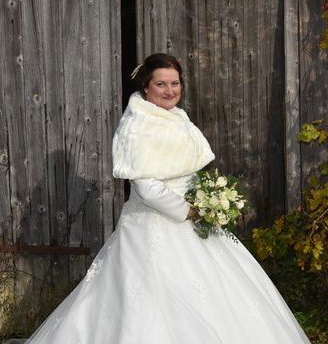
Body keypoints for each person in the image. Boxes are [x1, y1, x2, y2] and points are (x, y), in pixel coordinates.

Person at [26, 53, 311, 343]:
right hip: (152, 225)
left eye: (175, 83)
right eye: (161, 84)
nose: (170, 90)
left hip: (193, 219)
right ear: (145, 87)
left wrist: (209, 197)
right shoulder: (137, 125)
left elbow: (187, 169)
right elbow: (145, 185)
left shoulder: (176, 117)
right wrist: (188, 209)